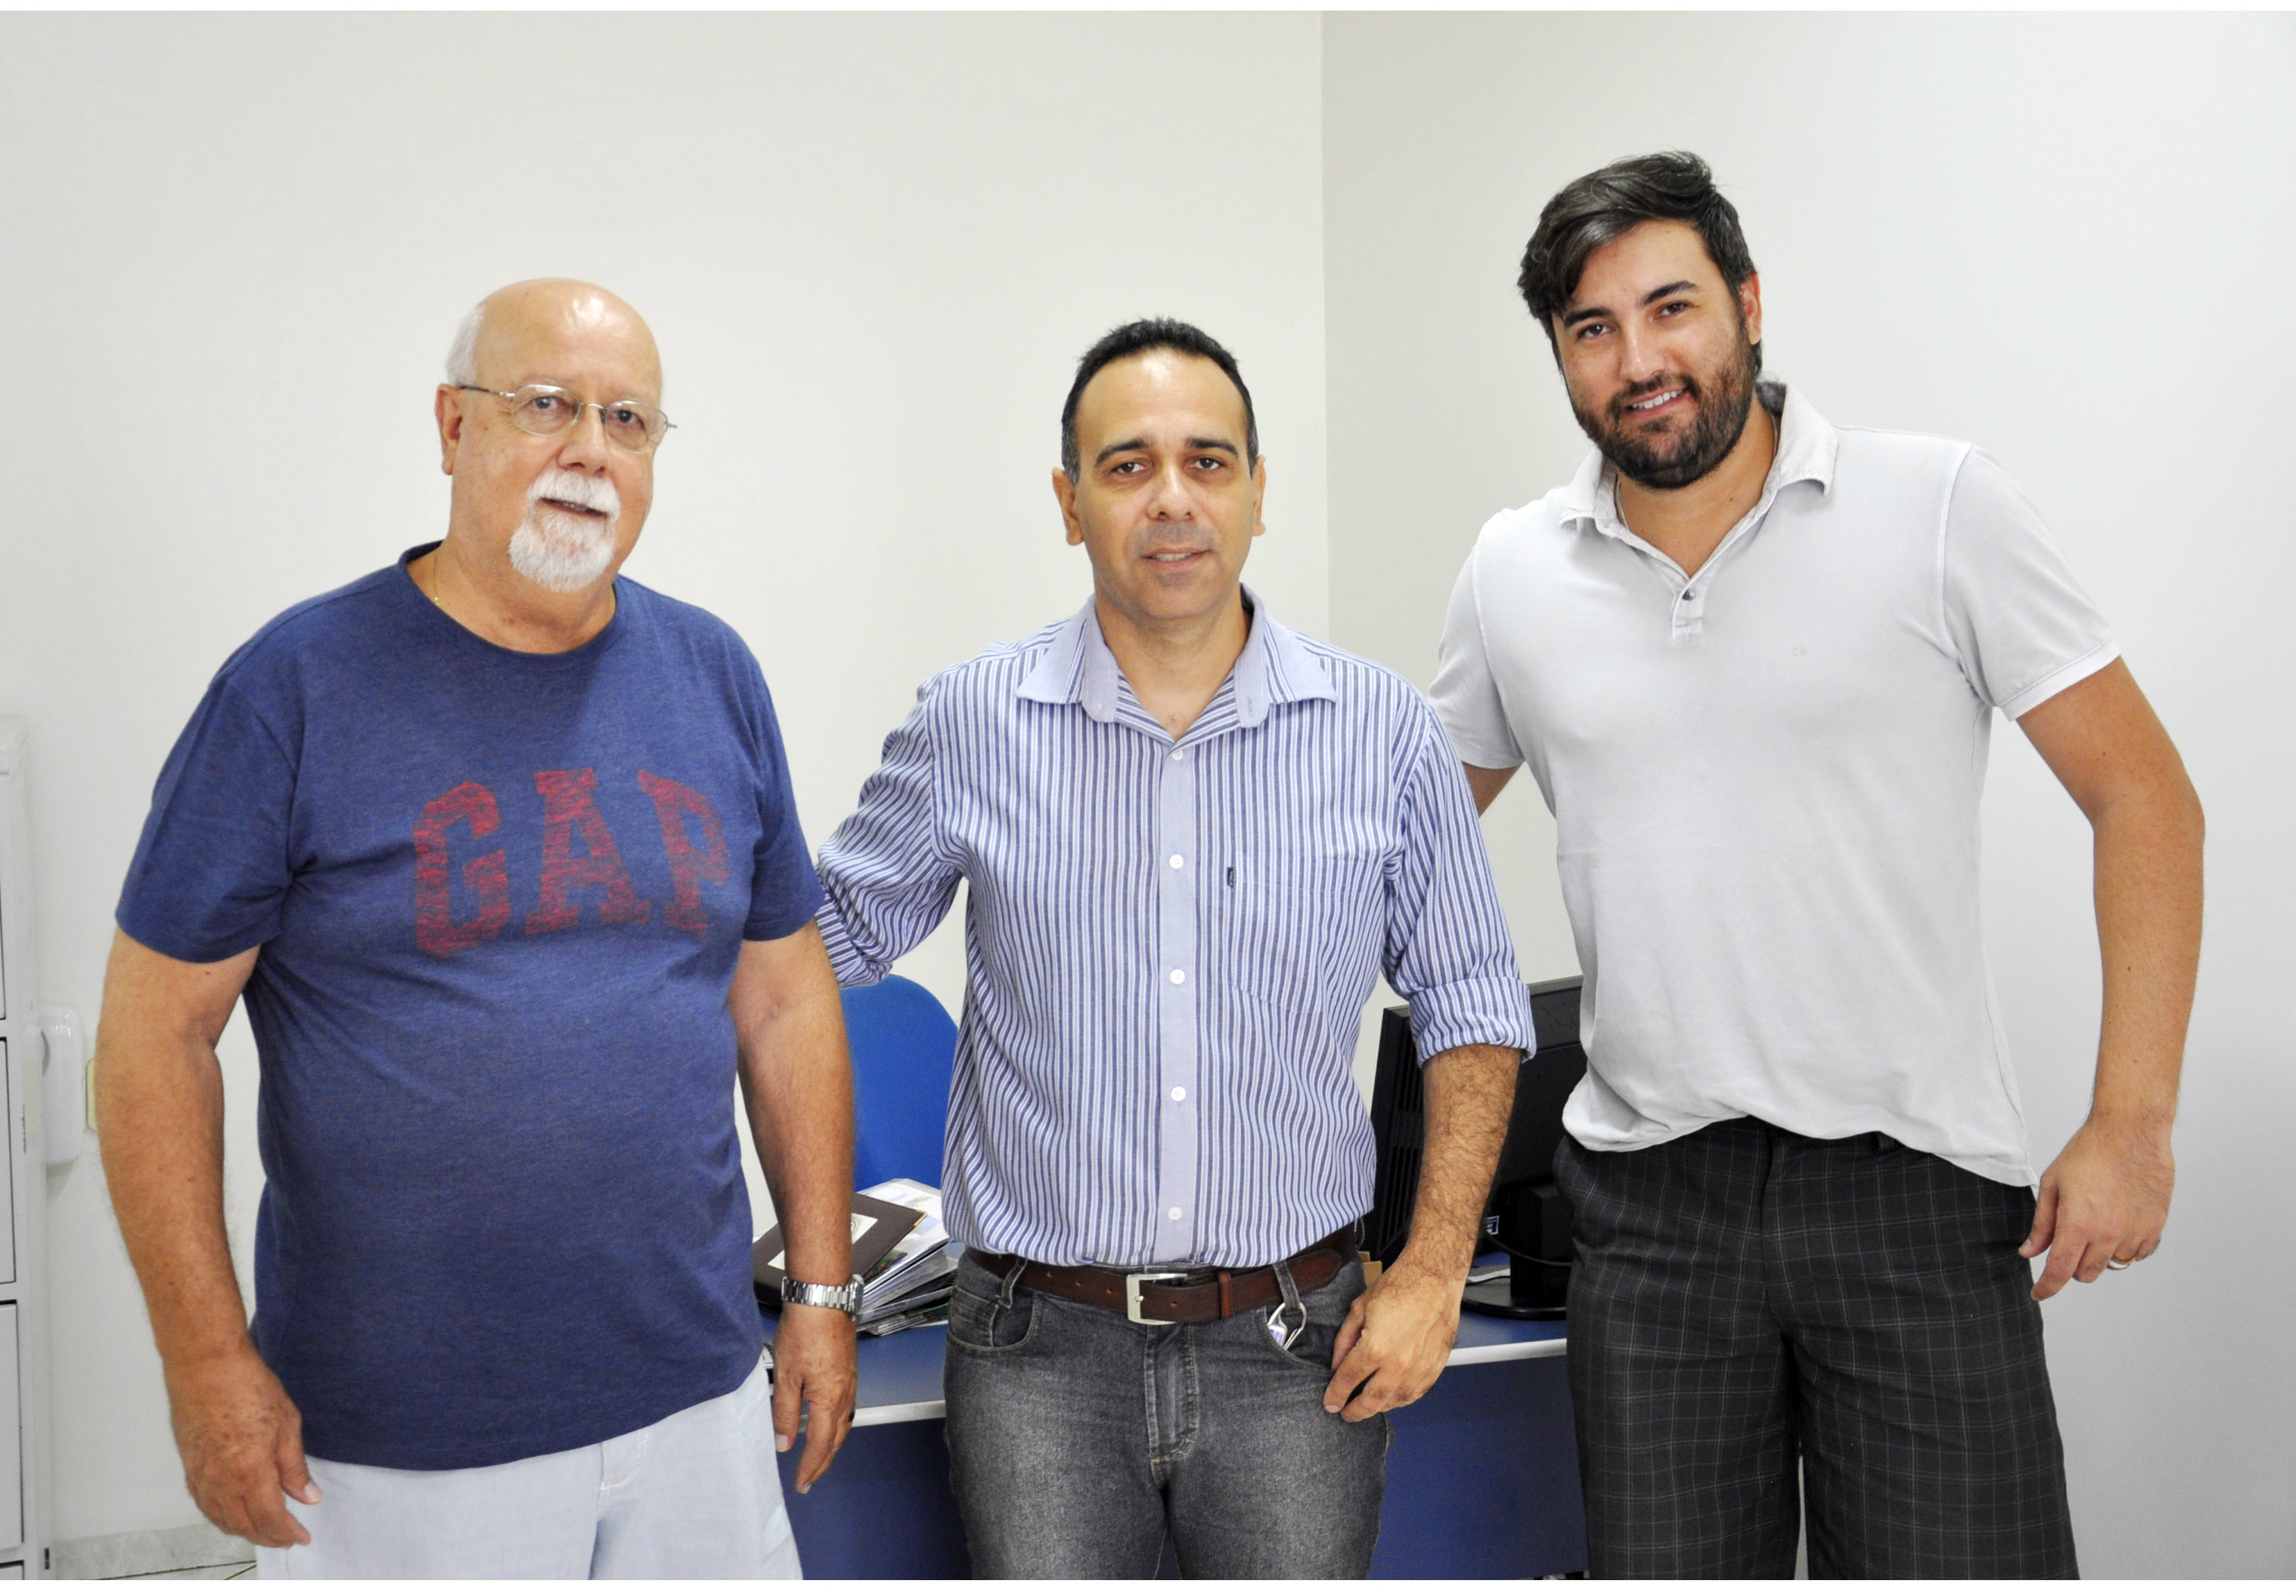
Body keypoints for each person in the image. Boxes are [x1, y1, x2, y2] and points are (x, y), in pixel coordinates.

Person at [1432, 152, 2204, 1579]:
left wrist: (2133, 1124)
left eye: (1672, 308)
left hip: (1913, 1192)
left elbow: (2143, 797)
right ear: (1558, 357)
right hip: (1649, 1219)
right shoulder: (1512, 571)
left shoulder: (1940, 504)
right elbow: (1395, 850)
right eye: (1592, 330)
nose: (1640, 359)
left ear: (1747, 301)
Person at [97, 279, 860, 1579]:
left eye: (628, 419)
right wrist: (206, 1359)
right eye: (545, 405)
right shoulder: (294, 688)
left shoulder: (712, 674)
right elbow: (153, 1037)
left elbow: (784, 997)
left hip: (694, 1398)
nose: (588, 450)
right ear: (453, 427)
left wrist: (822, 1297)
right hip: (399, 1440)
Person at [812, 318, 1532, 1577]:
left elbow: (1472, 1001)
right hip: (1035, 1352)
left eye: (1208, 461)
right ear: (1069, 502)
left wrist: (1433, 1270)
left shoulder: (1383, 733)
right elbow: (821, 947)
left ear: (1259, 493)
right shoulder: (974, 722)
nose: (1172, 500)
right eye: (1127, 464)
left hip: (1296, 1348)